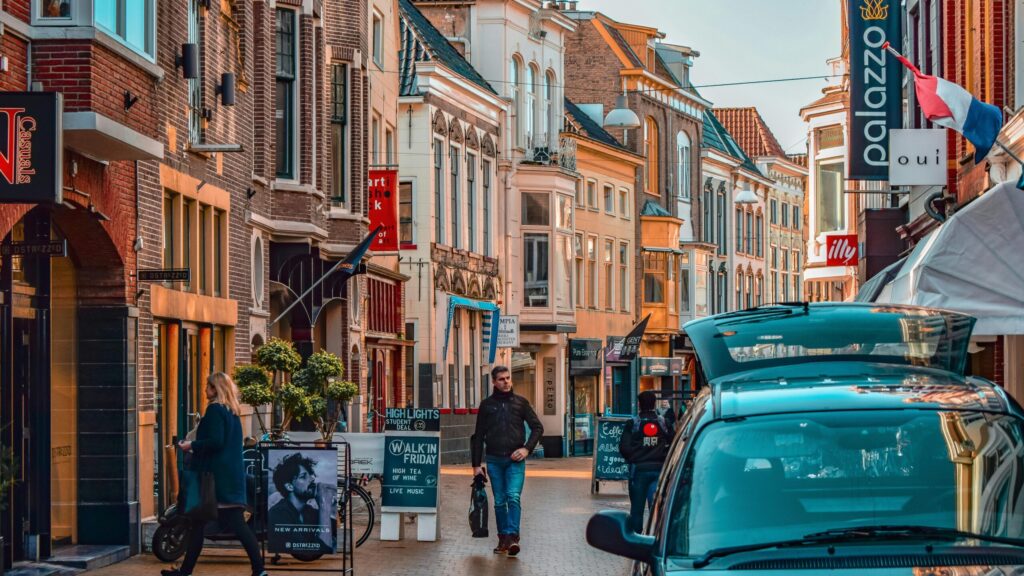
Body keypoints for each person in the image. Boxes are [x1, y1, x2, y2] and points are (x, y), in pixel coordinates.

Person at [162, 373, 266, 576]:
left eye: (207, 386)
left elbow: (216, 442)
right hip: (227, 478)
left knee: (231, 525)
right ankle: (186, 571)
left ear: (215, 389)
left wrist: (190, 445)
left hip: (216, 480)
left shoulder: (215, 410)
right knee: (198, 525)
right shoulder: (232, 412)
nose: (204, 390)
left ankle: (259, 570)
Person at [471, 365, 543, 557]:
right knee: (500, 501)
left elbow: (537, 427)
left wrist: (526, 449)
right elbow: (478, 436)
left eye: (508, 378)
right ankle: (503, 538)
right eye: (501, 379)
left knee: (513, 496)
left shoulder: (521, 403)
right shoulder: (487, 405)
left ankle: (512, 537)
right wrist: (476, 466)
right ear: (494, 382)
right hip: (494, 461)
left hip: (515, 461)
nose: (506, 382)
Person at [618, 390, 673, 534]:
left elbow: (624, 447)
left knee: (637, 509)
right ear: (655, 404)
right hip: (659, 471)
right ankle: (658, 538)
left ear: (639, 404)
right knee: (658, 509)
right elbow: (673, 444)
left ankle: (635, 539)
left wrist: (634, 458)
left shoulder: (633, 423)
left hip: (639, 472)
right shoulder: (664, 423)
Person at [267, 453, 337, 553]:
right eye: (303, 476)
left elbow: (336, 531)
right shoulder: (278, 514)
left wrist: (333, 506)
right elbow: (319, 551)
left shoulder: (309, 511)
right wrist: (324, 506)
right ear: (289, 486)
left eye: (310, 475)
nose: (312, 479)